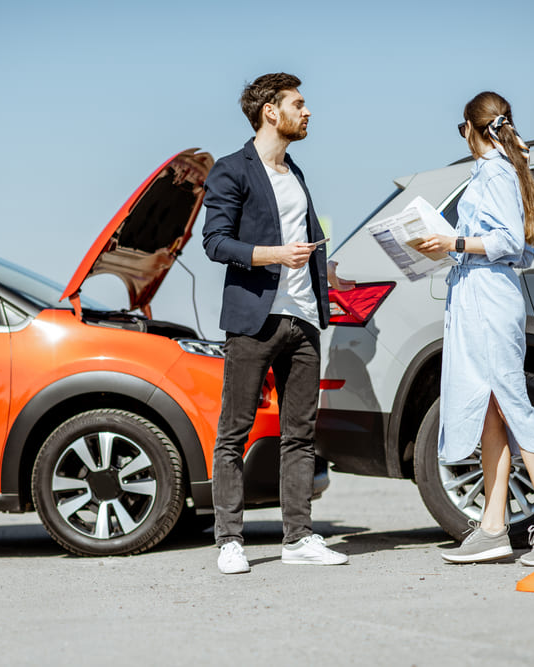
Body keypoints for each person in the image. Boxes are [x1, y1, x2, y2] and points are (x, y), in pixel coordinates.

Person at [202, 72, 353, 574]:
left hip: (304, 317)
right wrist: (275, 255)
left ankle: (299, 538)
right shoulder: (231, 169)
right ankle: (229, 540)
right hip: (254, 319)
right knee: (234, 432)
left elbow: (302, 239)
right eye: (298, 103)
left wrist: (325, 272)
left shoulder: (295, 172)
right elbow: (215, 242)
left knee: (300, 435)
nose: (307, 112)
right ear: (271, 111)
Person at [415, 91, 534, 566]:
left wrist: (453, 241)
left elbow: (511, 242)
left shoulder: (495, 171)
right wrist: (452, 248)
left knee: (512, 404)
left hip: (488, 299)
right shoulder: (503, 170)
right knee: (492, 409)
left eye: (463, 128)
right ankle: (494, 528)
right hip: (481, 293)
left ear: (472, 129)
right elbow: (523, 248)